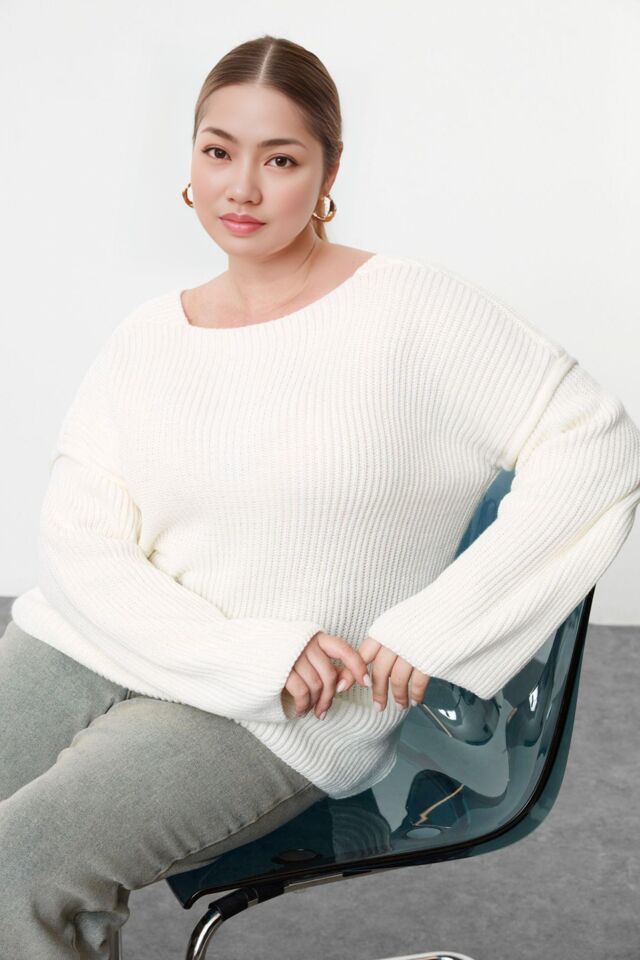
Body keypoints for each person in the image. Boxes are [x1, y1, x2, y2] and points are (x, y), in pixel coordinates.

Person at [2, 33, 640, 958]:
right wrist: (237, 649)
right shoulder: (147, 338)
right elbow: (80, 542)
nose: (242, 189)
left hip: (286, 710)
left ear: (329, 172)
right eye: (218, 151)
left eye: (280, 160)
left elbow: (596, 443)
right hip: (103, 642)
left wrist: (437, 628)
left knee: (24, 859)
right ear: (190, 163)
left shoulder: (412, 311)